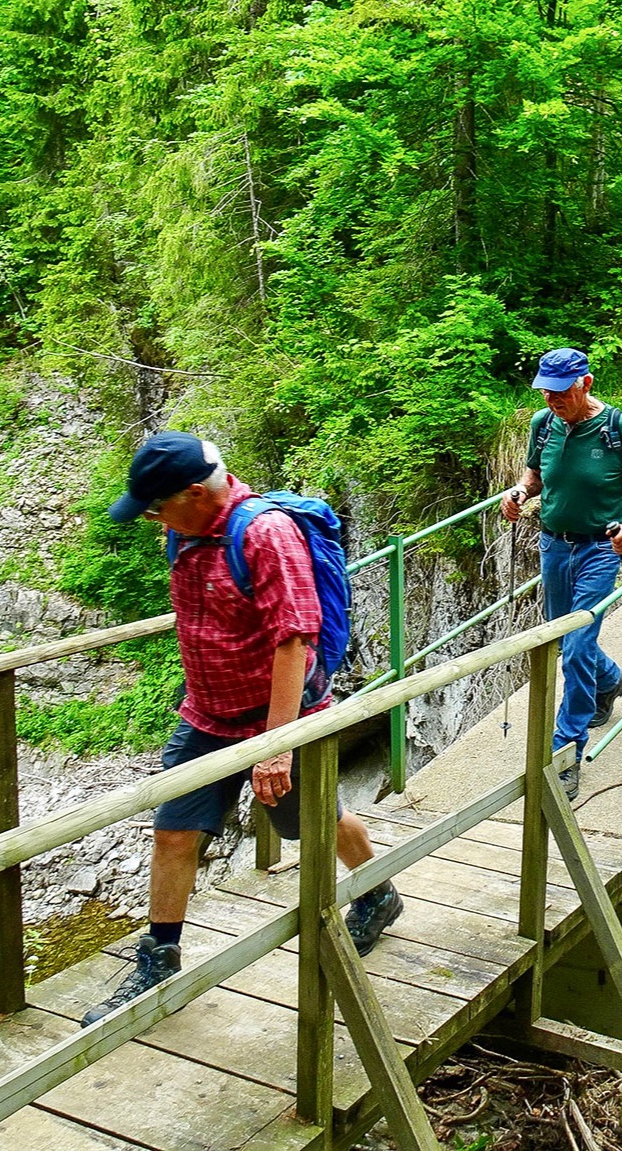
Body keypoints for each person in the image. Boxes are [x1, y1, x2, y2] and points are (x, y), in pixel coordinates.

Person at [82, 433, 402, 1027]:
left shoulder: (264, 535)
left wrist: (275, 749)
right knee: (175, 832)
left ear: (197, 493)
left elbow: (293, 639)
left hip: (280, 720)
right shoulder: (185, 527)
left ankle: (378, 891)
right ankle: (158, 958)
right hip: (206, 715)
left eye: (157, 507)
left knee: (314, 824)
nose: (153, 520)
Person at [501, 350, 622, 801]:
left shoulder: (618, 428)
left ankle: (566, 753)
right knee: (563, 640)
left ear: (586, 383)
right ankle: (610, 679)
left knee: (574, 649)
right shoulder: (543, 424)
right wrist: (518, 492)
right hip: (553, 543)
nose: (553, 398)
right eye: (546, 391)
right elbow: (535, 476)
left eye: (562, 390)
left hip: (599, 547)